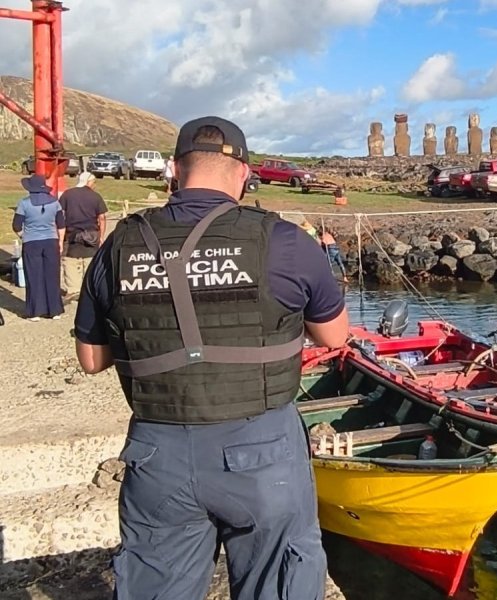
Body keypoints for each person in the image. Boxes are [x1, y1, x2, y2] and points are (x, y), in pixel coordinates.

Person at [73, 116, 349, 599]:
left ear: (175, 171)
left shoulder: (121, 243)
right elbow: (333, 335)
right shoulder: (283, 240)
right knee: (279, 581)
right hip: (263, 450)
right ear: (243, 173)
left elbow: (91, 360)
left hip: (158, 452)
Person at [12, 174, 65, 321]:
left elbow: (16, 226)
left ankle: (35, 311)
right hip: (51, 241)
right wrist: (60, 242)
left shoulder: (24, 203)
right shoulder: (55, 203)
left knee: (34, 276)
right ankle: (54, 310)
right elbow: (61, 225)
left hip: (31, 242)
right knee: (52, 275)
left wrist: (24, 235)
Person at [60, 171, 107, 301]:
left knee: (70, 261)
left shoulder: (67, 194)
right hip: (91, 234)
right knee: (90, 261)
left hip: (71, 233)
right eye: (94, 182)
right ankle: (89, 289)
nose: (94, 185)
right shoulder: (96, 197)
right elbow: (102, 218)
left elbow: (60, 214)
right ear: (89, 182)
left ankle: (73, 289)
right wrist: (101, 236)